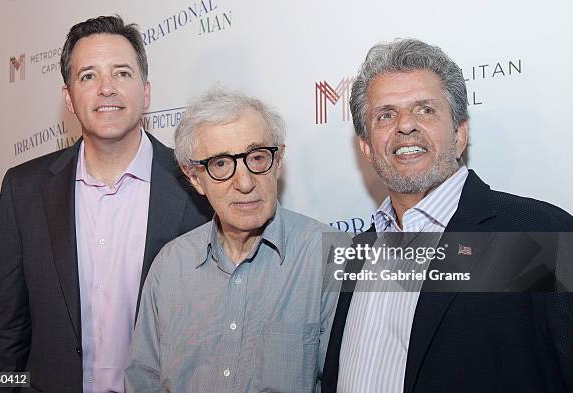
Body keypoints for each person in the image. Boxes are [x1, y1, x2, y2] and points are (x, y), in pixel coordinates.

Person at [322, 39, 573, 393]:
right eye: (386, 114)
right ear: (366, 147)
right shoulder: (359, 253)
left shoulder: (538, 235)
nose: (405, 125)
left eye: (425, 109)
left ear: (459, 134)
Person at [0, 15, 211, 393]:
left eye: (121, 73)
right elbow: (4, 331)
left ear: (146, 91)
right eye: (88, 76)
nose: (107, 89)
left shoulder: (196, 187)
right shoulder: (23, 190)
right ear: (69, 98)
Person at [125, 87, 346, 393]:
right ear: (194, 178)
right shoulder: (169, 265)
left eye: (257, 158)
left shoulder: (332, 254)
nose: (244, 183)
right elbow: (142, 381)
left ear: (278, 161)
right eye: (220, 164)